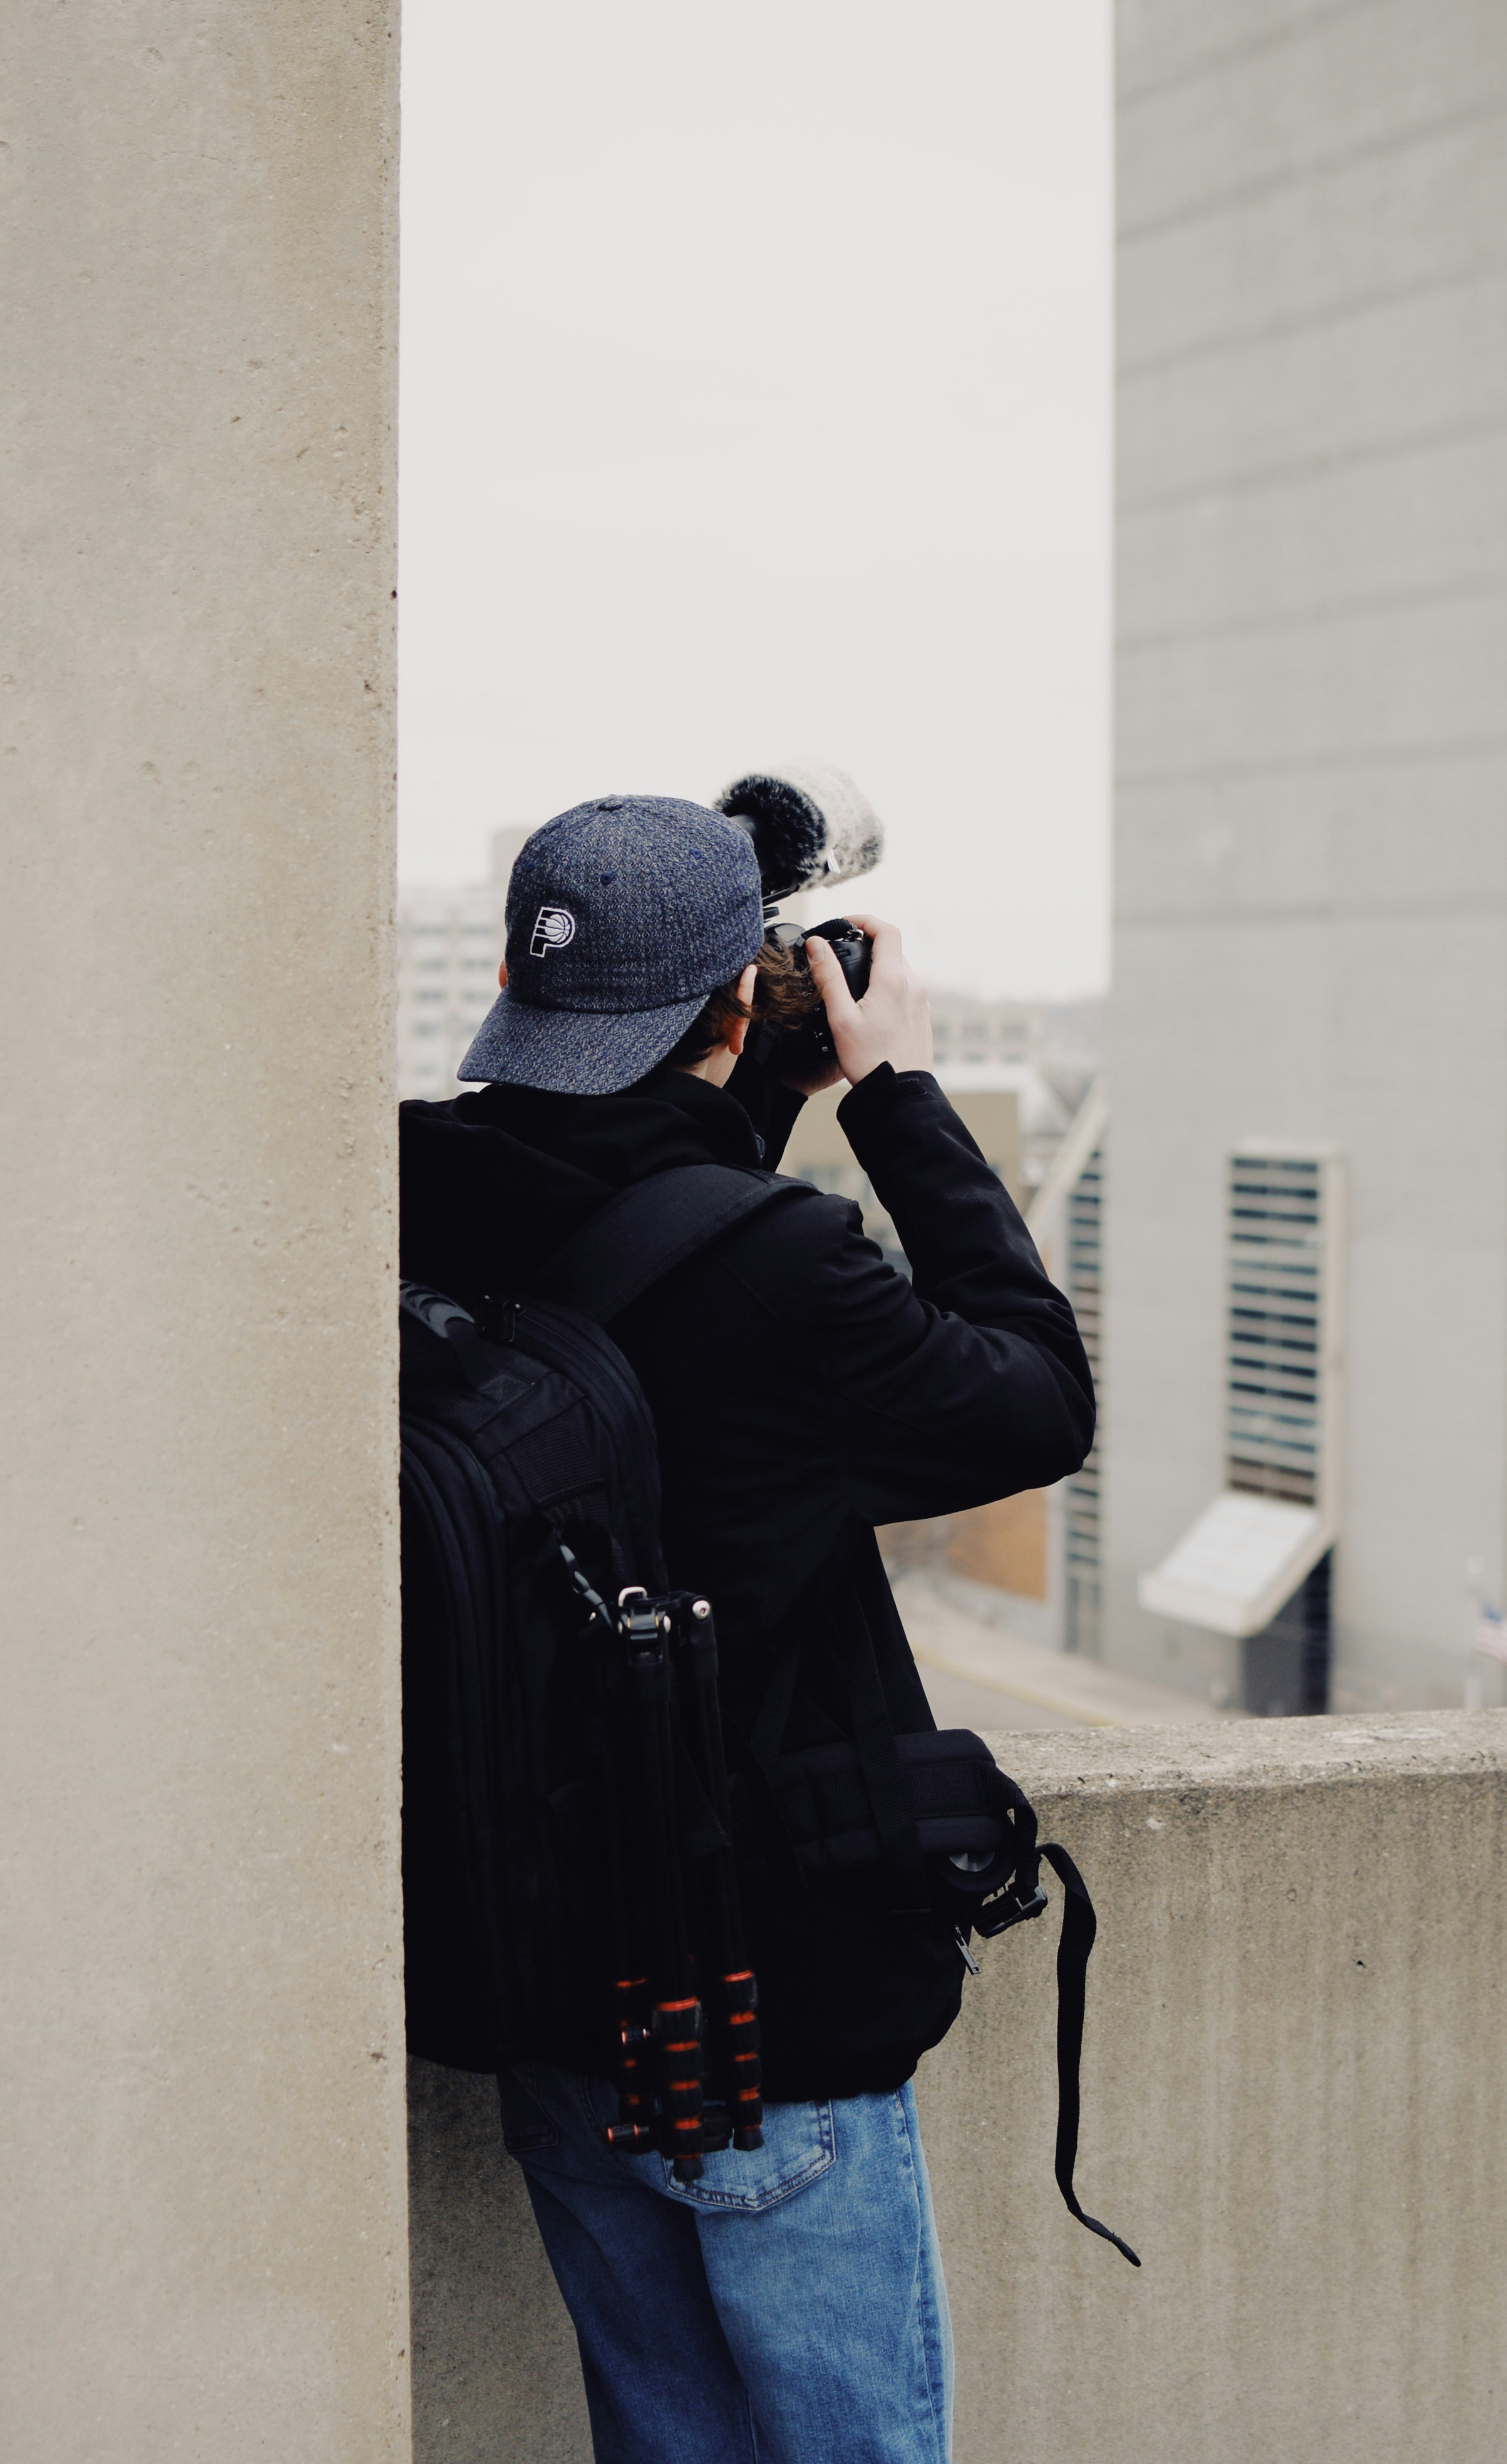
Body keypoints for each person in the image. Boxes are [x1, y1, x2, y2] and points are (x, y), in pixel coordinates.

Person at [399, 794, 1095, 2464]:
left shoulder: (410, 1189)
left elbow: (646, 1284)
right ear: (737, 1010)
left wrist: (742, 1089)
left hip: (553, 1994)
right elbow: (1032, 1409)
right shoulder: (786, 1274)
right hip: (770, 2008)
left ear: (511, 973)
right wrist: (897, 1097)